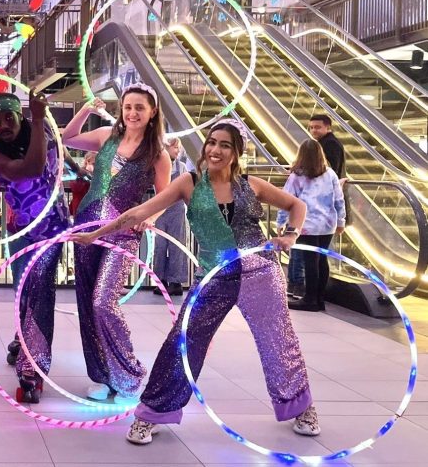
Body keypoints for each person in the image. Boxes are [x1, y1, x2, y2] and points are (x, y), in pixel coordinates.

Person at [74, 120, 320, 445]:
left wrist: (290, 234)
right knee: (183, 343)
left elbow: (296, 205)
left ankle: (302, 408)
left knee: (278, 343)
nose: (215, 150)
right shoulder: (188, 183)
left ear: (237, 152)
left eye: (225, 145)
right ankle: (152, 414)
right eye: (212, 142)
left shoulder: (252, 185)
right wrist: (95, 235)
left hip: (260, 272)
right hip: (214, 276)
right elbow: (138, 212)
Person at [61, 83, 172, 401]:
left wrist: (152, 217)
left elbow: (165, 196)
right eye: (128, 107)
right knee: (87, 304)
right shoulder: (106, 137)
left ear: (152, 113)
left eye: (140, 107)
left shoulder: (157, 154)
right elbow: (68, 138)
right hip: (86, 228)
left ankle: (129, 373)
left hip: (123, 234)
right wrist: (86, 109)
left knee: (102, 302)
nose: (133, 113)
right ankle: (102, 376)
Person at [0, 90, 71, 403]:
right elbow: (32, 168)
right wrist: (36, 117)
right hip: (21, 231)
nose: (3, 125)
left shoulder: (43, 132)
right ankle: (25, 342)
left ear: (19, 115)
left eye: (9, 117)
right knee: (25, 292)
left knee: (41, 292)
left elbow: (59, 163)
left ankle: (32, 370)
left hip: (53, 227)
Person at [278, 139, 346, 311]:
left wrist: (281, 221)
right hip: (327, 224)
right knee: (322, 260)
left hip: (305, 224)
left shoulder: (296, 176)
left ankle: (309, 299)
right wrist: (341, 221)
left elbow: (286, 200)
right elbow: (339, 199)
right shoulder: (330, 173)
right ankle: (319, 299)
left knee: (310, 261)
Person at [152, 137, 193, 297]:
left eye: (178, 148)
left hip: (176, 209)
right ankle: (160, 281)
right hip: (159, 209)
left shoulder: (181, 167)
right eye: (175, 148)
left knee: (177, 245)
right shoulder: (156, 165)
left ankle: (176, 282)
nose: (178, 151)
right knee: (159, 246)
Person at [308, 114, 345, 179]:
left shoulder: (330, 143)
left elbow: (332, 168)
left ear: (328, 127)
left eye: (317, 127)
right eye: (311, 127)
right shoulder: (324, 141)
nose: (313, 130)